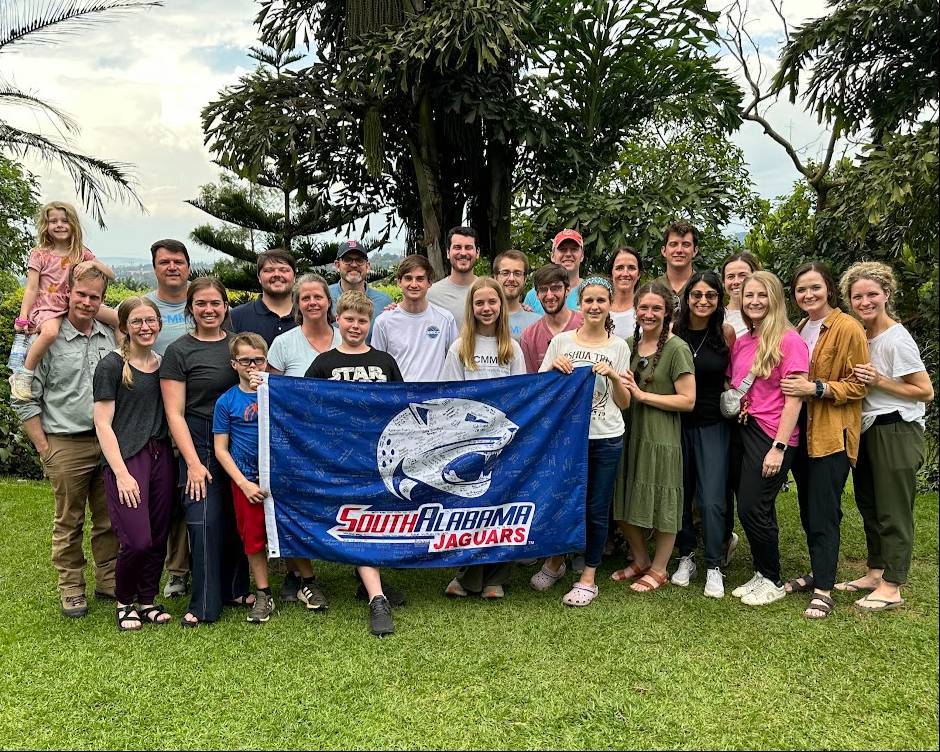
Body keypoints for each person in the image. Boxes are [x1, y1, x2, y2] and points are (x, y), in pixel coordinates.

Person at [11, 264, 118, 617]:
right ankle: (71, 587)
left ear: (102, 300)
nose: (87, 302)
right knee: (69, 520)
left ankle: (109, 579)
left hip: (107, 443)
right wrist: (43, 446)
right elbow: (22, 395)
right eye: (82, 294)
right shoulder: (49, 337)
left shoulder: (110, 337)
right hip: (64, 442)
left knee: (108, 518)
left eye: (95, 297)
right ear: (68, 293)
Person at [836, 262, 933, 611]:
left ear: (886, 295)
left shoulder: (896, 337)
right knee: (870, 504)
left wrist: (879, 382)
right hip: (869, 429)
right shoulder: (864, 335)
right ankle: (876, 571)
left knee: (893, 509)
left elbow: (925, 391)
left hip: (896, 429)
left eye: (872, 294)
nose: (864, 301)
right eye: (857, 296)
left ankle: (892, 585)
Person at [306, 290, 404, 636]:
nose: (355, 325)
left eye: (363, 320)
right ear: (337, 320)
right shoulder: (323, 364)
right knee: (358, 518)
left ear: (370, 323)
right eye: (349, 319)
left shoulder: (384, 361)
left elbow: (401, 404)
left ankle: (368, 580)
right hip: (341, 457)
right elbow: (304, 405)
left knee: (378, 518)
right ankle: (377, 598)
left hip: (378, 456)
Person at [531, 277, 631, 607]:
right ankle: (557, 561)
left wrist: (614, 376)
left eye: (601, 300)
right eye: (589, 300)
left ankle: (588, 575)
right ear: (580, 303)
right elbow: (542, 391)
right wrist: (555, 370)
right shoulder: (560, 342)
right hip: (567, 439)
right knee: (562, 499)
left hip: (605, 437)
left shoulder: (619, 347)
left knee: (596, 507)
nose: (594, 306)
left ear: (609, 304)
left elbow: (625, 402)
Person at [213, 332, 327, 623]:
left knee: (291, 530)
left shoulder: (280, 393)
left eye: (258, 360)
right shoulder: (227, 401)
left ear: (267, 361)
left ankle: (308, 583)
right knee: (253, 539)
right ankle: (264, 592)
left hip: (282, 477)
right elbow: (221, 449)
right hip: (247, 479)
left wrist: (268, 390)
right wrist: (243, 483)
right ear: (234, 364)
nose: (253, 366)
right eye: (245, 361)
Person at [160, 278, 253, 627]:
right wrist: (194, 464)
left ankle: (234, 588)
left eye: (215, 303)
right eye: (201, 304)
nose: (209, 310)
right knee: (204, 519)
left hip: (238, 440)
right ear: (191, 309)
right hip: (198, 441)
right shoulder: (179, 351)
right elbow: (174, 413)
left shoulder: (237, 346)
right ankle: (204, 602)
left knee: (234, 518)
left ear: (226, 306)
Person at [778, 262, 868, 618]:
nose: (808, 295)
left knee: (824, 511)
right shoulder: (802, 327)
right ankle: (820, 571)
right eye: (801, 289)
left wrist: (815, 387)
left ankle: (824, 590)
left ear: (829, 288)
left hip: (831, 434)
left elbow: (859, 385)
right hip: (804, 431)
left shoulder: (848, 327)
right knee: (808, 508)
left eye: (815, 287)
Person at [441, 278, 526, 599]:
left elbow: (522, 395)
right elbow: (448, 396)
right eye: (480, 303)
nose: (486, 308)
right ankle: (469, 575)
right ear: (471, 308)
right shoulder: (459, 347)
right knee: (473, 507)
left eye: (493, 302)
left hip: (503, 441)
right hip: (467, 442)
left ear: (502, 306)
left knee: (501, 504)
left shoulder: (512, 348)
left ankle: (496, 578)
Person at [93, 297, 174, 630]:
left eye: (151, 320)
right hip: (127, 459)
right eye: (138, 322)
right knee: (137, 539)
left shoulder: (164, 363)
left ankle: (148, 600)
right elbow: (102, 423)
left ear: (159, 323)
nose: (146, 327)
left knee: (157, 535)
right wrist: (121, 473)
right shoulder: (111, 366)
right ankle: (125, 601)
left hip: (161, 456)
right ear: (124, 326)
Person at [728, 271, 808, 606]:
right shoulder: (745, 340)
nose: (755, 302)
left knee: (751, 507)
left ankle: (773, 579)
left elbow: (794, 399)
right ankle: (762, 572)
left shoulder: (789, 341)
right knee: (756, 507)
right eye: (749, 296)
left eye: (762, 295)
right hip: (746, 428)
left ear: (774, 298)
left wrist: (778, 446)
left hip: (773, 435)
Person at [611, 282, 696, 594]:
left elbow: (688, 400)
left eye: (656, 308)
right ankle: (641, 558)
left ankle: (660, 569)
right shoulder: (627, 344)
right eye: (643, 308)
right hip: (629, 430)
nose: (649, 314)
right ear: (636, 310)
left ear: (667, 312)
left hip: (660, 434)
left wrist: (644, 396)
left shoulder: (677, 348)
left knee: (662, 500)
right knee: (621, 497)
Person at [670, 272, 736, 597]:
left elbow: (733, 379)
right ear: (687, 298)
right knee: (681, 494)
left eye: (711, 295)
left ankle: (714, 564)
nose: (703, 301)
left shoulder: (725, 333)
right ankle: (686, 556)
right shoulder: (674, 333)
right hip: (679, 423)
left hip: (713, 424)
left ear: (719, 300)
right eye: (697, 295)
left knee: (711, 499)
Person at [11, 201, 117, 401]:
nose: (59, 225)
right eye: (53, 221)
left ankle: (123, 360)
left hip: (73, 302)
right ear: (46, 225)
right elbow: (32, 287)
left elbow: (110, 274)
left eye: (64, 221)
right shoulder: (39, 254)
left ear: (73, 225)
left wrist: (92, 263)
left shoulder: (80, 252)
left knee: (119, 319)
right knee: (50, 333)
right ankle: (24, 375)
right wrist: (23, 316)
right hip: (49, 306)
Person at [145, 238, 194, 600]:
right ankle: (176, 571)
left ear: (189, 266)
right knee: (171, 498)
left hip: (205, 412)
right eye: (165, 262)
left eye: (178, 261)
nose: (172, 267)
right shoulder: (146, 306)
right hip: (160, 415)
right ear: (155, 268)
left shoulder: (203, 300)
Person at [371, 255, 458, 381]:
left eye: (420, 279)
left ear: (429, 282)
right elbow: (377, 367)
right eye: (408, 278)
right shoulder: (383, 322)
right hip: (399, 398)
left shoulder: (446, 319)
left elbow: (455, 363)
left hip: (435, 399)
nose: (414, 284)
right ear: (399, 282)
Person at [268, 274, 342, 377]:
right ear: (297, 304)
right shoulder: (282, 344)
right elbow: (272, 387)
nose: (312, 302)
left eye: (318, 297)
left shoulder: (345, 340)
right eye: (306, 298)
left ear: (328, 302)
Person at [519, 264, 583, 373]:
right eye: (543, 290)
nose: (549, 295)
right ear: (537, 294)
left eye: (555, 288)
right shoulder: (529, 336)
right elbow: (531, 383)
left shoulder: (585, 324)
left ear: (567, 290)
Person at [328, 240, 392, 343]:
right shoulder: (324, 297)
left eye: (360, 260)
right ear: (337, 265)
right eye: (347, 260)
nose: (354, 265)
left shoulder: (384, 302)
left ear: (367, 266)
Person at [230, 249, 297, 346]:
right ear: (259, 277)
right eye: (269, 270)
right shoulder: (236, 317)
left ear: (294, 276)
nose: (277, 274)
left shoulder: (309, 315)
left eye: (284, 270)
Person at [522, 230, 584, 314]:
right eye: (562, 249)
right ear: (552, 256)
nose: (568, 254)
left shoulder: (591, 291)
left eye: (574, 249)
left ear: (582, 256)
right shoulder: (533, 295)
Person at [427, 226, 480, 322]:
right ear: (448, 253)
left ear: (477, 253)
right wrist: (391, 308)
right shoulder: (430, 294)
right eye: (457, 247)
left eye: (468, 248)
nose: (463, 253)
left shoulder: (490, 291)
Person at [492, 249, 539, 340]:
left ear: (525, 279)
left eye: (517, 273)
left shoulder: (536, 322)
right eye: (505, 273)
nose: (511, 278)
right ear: (495, 277)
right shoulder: (483, 318)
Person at [653, 220, 699, 313]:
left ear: (695, 251)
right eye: (673, 244)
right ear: (664, 251)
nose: (679, 250)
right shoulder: (652, 288)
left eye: (686, 245)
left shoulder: (705, 287)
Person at [722, 252, 761, 337]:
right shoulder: (716, 316)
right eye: (730, 276)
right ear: (723, 282)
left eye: (742, 275)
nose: (736, 282)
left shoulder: (766, 316)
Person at [609, 246, 641, 338]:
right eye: (619, 268)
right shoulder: (599, 307)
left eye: (631, 268)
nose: (625, 274)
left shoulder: (645, 310)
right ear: (611, 272)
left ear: (639, 274)